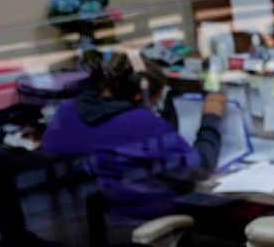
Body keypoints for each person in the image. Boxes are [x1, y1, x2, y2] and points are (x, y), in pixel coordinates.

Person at [40, 52, 226, 220]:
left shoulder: (67, 109)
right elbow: (201, 167)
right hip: (134, 219)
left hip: (78, 221)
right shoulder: (139, 122)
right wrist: (211, 117)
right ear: (139, 97)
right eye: (155, 101)